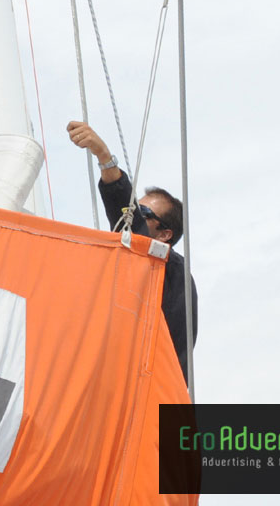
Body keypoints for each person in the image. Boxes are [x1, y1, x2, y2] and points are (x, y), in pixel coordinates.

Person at [66, 120, 198, 378]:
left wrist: (104, 158)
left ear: (164, 234)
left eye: (143, 212)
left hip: (150, 398)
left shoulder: (171, 270)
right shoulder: (134, 272)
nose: (134, 214)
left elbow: (133, 227)